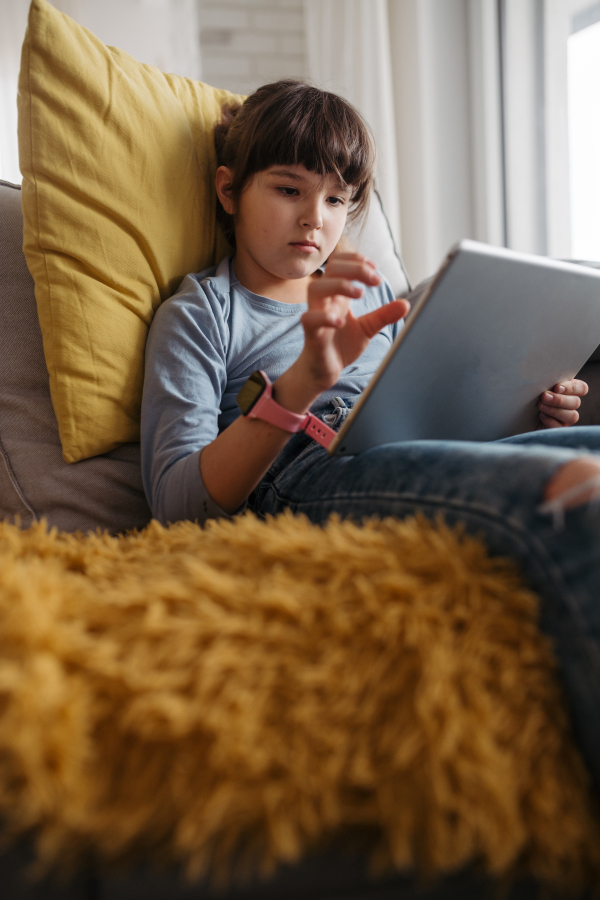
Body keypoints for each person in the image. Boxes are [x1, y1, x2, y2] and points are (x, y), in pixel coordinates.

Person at [141, 79, 600, 788]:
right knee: (575, 494)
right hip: (303, 472)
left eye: (336, 200)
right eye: (289, 190)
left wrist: (528, 413)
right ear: (229, 191)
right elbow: (175, 502)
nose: (314, 221)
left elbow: (432, 416)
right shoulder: (202, 315)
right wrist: (301, 383)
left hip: (409, 450)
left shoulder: (380, 294)